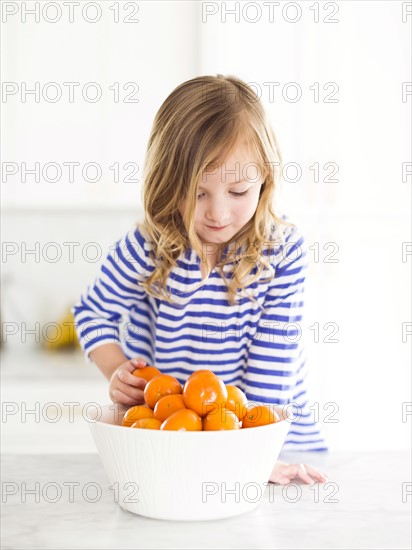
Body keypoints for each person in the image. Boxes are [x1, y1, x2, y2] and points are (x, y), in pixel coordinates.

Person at [72, 74, 328, 485]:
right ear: (168, 184)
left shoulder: (282, 254)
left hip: (273, 446)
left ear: (264, 180)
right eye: (198, 193)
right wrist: (117, 370)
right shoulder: (148, 247)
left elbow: (271, 373)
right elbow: (92, 312)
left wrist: (253, 461)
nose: (218, 214)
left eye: (238, 191)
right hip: (177, 444)